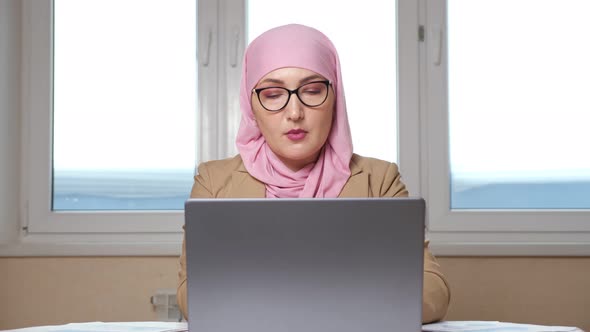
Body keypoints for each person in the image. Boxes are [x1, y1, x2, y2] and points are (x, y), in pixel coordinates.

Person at [177, 23, 450, 323]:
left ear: (335, 99)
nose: (294, 112)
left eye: (312, 90)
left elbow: (432, 292)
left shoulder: (379, 180)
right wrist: (349, 296)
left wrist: (280, 300)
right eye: (272, 94)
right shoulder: (214, 182)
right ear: (250, 104)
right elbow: (193, 296)